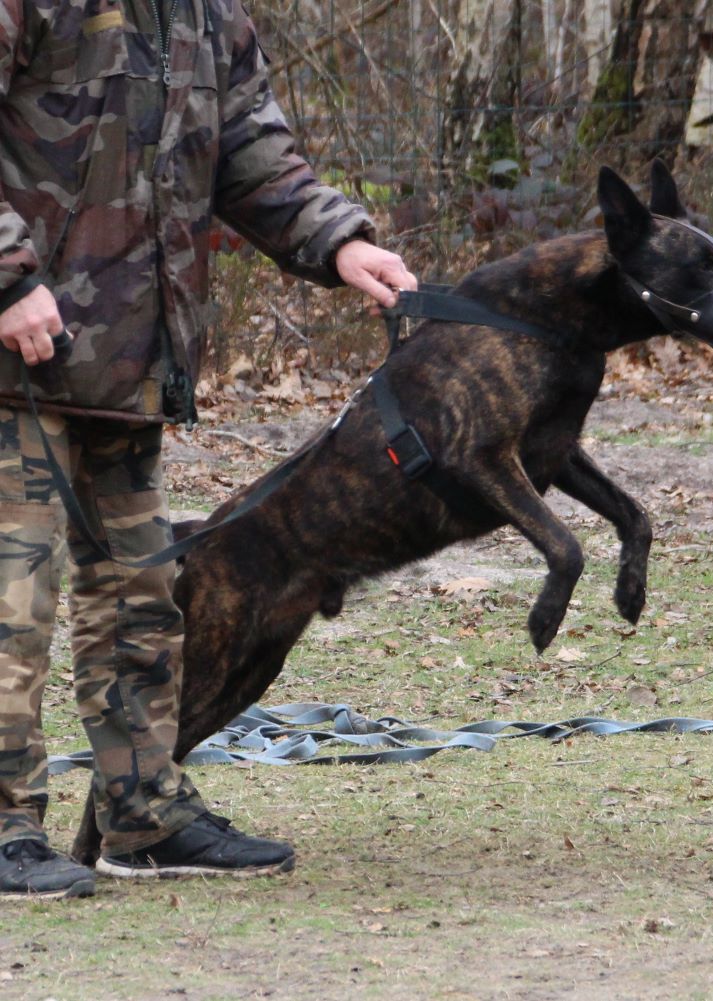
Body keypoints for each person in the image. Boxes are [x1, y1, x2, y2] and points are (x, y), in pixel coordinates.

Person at [0, 0, 416, 899]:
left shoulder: (207, 14)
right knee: (12, 604)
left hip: (125, 362)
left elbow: (252, 152)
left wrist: (341, 241)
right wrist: (9, 276)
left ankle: (142, 816)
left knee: (141, 596)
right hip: (14, 359)